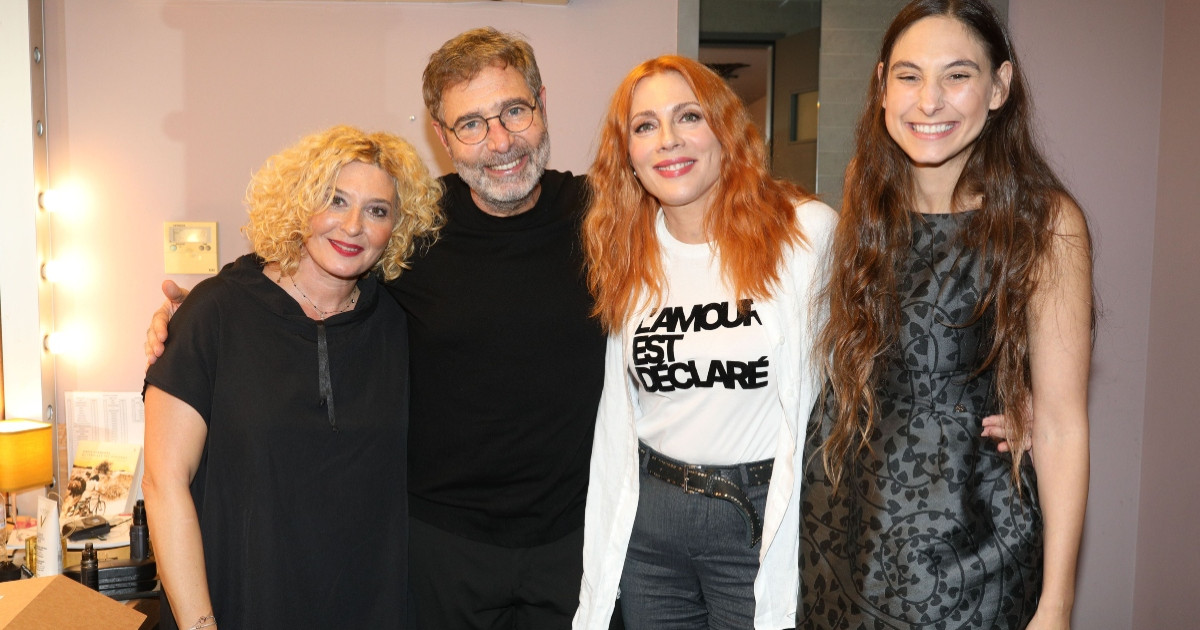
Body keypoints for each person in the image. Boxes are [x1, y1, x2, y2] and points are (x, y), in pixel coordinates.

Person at [146, 29, 610, 630]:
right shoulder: (422, 233)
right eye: (471, 123)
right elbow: (293, 274)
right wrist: (194, 311)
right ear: (443, 136)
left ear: (542, 104)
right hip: (439, 554)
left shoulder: (608, 217)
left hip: (575, 542)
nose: (499, 141)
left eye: (514, 111)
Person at [798, 1, 1093, 629]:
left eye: (957, 75)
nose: (929, 101)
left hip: (973, 545)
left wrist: (1057, 605)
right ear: (882, 86)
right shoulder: (865, 193)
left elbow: (1063, 426)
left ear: (999, 86)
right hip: (843, 529)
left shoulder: (1044, 223)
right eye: (909, 76)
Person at [142, 125, 443, 630]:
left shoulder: (400, 323)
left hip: (369, 609)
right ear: (300, 201)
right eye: (335, 200)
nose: (353, 226)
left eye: (377, 211)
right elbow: (163, 482)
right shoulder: (216, 313)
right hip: (237, 607)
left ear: (396, 227)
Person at [573, 55, 836, 630]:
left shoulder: (805, 233)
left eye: (688, 116)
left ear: (725, 130)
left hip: (760, 520)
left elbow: (869, 366)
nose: (668, 140)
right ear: (628, 154)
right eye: (645, 126)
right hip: (651, 526)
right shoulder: (627, 247)